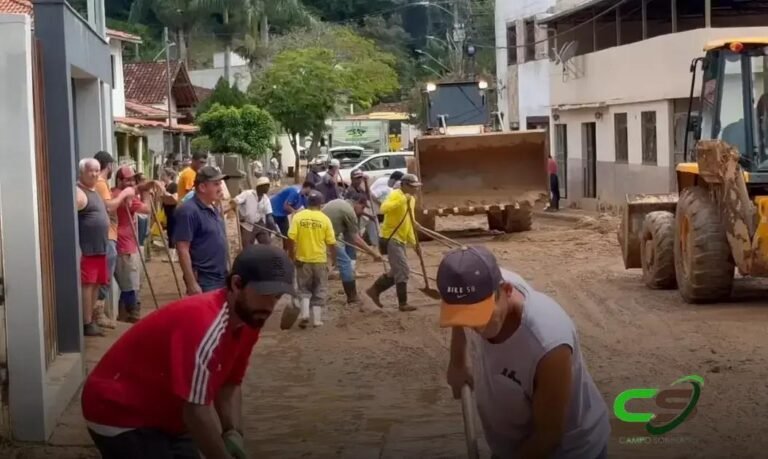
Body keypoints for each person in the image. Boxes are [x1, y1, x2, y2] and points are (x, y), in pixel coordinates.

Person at [81, 244, 295, 459]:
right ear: (237, 284)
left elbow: (230, 382)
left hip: (167, 412)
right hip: (119, 410)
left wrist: (233, 433)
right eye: (264, 293)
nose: (270, 305)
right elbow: (195, 410)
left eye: (277, 296)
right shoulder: (205, 324)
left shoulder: (249, 321)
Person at [438, 245, 610, 459]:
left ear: (507, 291)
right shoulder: (476, 284)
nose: (476, 329)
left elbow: (548, 435)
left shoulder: (548, 345)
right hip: (513, 442)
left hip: (567, 450)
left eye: (481, 317)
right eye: (466, 318)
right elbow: (460, 314)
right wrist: (457, 362)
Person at [77, 158, 125, 337]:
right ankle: (87, 323)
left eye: (97, 170)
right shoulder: (78, 192)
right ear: (82, 172)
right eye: (91, 171)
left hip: (100, 249)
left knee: (96, 284)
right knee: (88, 286)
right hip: (88, 250)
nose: (95, 174)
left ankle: (92, 320)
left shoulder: (94, 191)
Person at [365, 173, 421, 312]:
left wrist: (414, 244)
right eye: (413, 187)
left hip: (400, 239)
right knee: (402, 270)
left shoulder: (412, 200)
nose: (415, 190)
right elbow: (384, 208)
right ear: (404, 185)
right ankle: (403, 303)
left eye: (416, 187)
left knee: (396, 270)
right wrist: (403, 199)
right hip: (390, 238)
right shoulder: (396, 194)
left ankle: (374, 291)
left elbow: (408, 222)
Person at [92, 151, 133, 329]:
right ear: (108, 166)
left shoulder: (99, 183)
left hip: (108, 235)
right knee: (105, 277)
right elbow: (109, 207)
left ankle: (97, 313)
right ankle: (98, 314)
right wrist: (124, 194)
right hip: (108, 235)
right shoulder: (100, 183)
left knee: (103, 276)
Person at [174, 166, 230, 294]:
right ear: (203, 187)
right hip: (204, 280)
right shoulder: (188, 211)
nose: (220, 188)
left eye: (220, 184)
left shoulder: (212, 206)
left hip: (221, 275)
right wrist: (192, 283)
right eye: (216, 184)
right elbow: (182, 249)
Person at [322, 193, 383, 308]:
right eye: (363, 207)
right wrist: (374, 253)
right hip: (324, 236)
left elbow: (348, 236)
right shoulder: (349, 212)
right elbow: (356, 239)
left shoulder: (341, 203)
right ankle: (352, 297)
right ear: (358, 203)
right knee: (345, 263)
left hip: (323, 234)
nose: (362, 211)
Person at [287, 191, 337, 328]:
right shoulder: (325, 219)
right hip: (320, 260)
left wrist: (292, 255)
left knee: (303, 288)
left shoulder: (298, 217)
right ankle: (316, 320)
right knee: (319, 289)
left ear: (308, 203)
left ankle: (304, 314)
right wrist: (334, 259)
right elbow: (332, 243)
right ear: (321, 204)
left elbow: (290, 238)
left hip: (302, 260)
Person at [112, 166, 155, 323]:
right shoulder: (124, 197)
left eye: (132, 179)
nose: (131, 182)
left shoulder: (119, 193)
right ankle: (131, 316)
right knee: (130, 285)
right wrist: (146, 194)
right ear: (119, 180)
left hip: (127, 244)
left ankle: (124, 317)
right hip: (125, 246)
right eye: (127, 179)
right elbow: (147, 210)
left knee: (131, 284)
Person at [231, 176, 278, 247]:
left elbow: (269, 216)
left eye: (268, 186)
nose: (268, 188)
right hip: (247, 225)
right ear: (260, 186)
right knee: (247, 248)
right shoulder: (247, 194)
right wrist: (239, 215)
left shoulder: (266, 199)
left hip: (259, 224)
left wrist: (276, 229)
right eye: (266, 186)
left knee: (267, 245)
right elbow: (233, 202)